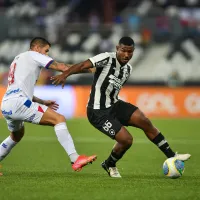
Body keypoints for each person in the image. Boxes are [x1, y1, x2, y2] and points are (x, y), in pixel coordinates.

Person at [51, 36, 191, 178]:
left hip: (115, 105)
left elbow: (94, 72)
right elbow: (83, 65)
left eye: (130, 52)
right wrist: (66, 74)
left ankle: (172, 156)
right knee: (126, 140)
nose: (126, 55)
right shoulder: (106, 58)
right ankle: (109, 164)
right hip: (97, 112)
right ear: (117, 48)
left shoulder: (127, 69)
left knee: (144, 121)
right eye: (123, 50)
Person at [0, 37, 97, 174]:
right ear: (37, 48)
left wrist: (42, 101)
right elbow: (62, 67)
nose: (46, 54)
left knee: (16, 135)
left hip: (6, 103)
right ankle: (75, 159)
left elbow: (20, 89)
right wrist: (89, 69)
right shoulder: (34, 55)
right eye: (46, 51)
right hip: (19, 103)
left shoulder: (18, 59)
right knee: (59, 119)